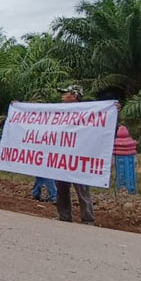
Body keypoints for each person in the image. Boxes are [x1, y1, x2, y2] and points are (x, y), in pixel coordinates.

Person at [54, 85, 94, 225]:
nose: (63, 96)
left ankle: (88, 219)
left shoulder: (87, 112)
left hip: (79, 157)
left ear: (74, 96)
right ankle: (64, 216)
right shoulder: (58, 112)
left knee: (82, 189)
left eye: (66, 93)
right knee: (62, 188)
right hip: (62, 157)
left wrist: (114, 109)